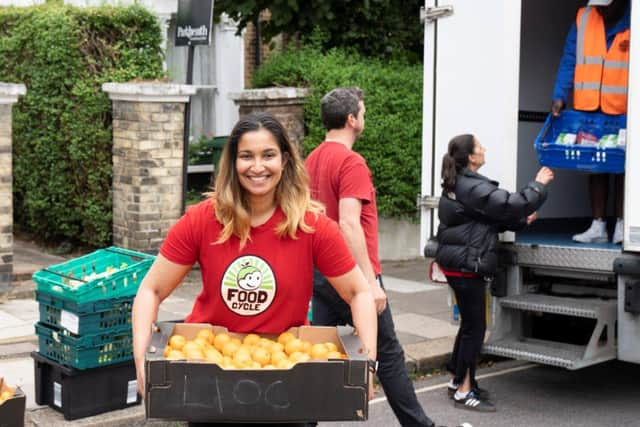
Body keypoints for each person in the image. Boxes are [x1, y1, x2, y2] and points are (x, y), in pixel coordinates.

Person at [131, 112, 377, 427]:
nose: (257, 167)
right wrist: (141, 359)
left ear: (285, 160)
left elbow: (359, 293)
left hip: (290, 384)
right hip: (210, 384)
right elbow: (151, 290)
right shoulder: (202, 220)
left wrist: (367, 363)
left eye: (268, 155)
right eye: (247, 156)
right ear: (233, 162)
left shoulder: (312, 225)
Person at [305, 87, 442, 427]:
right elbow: (349, 224)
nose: (364, 118)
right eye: (362, 113)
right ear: (352, 120)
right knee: (390, 356)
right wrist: (370, 282)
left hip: (322, 274)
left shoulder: (312, 159)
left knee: (317, 355)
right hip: (353, 276)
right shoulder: (351, 162)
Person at [436, 134, 554, 412]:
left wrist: (521, 220)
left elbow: (487, 220)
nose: (484, 148)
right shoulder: (471, 186)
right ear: (471, 157)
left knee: (469, 326)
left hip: (460, 262)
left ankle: (458, 381)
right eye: (480, 146)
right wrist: (539, 185)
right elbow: (511, 203)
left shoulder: (463, 184)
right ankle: (464, 391)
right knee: (475, 328)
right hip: (467, 264)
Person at [551, 0, 630, 244]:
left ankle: (621, 224)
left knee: (622, 168)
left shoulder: (634, 16)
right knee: (594, 165)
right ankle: (597, 226)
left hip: (624, 107)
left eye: (607, 5)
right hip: (589, 105)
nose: (602, 9)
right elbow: (569, 58)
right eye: (598, 5)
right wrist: (560, 95)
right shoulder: (584, 17)